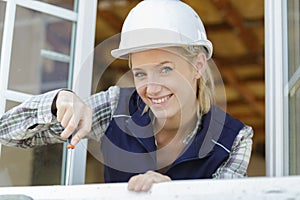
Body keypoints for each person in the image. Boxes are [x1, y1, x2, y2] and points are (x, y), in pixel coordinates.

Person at [0, 0, 253, 192]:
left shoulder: (234, 140)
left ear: (198, 65)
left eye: (165, 69)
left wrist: (174, 192)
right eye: (140, 74)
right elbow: (5, 132)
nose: (151, 89)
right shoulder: (114, 106)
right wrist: (58, 102)